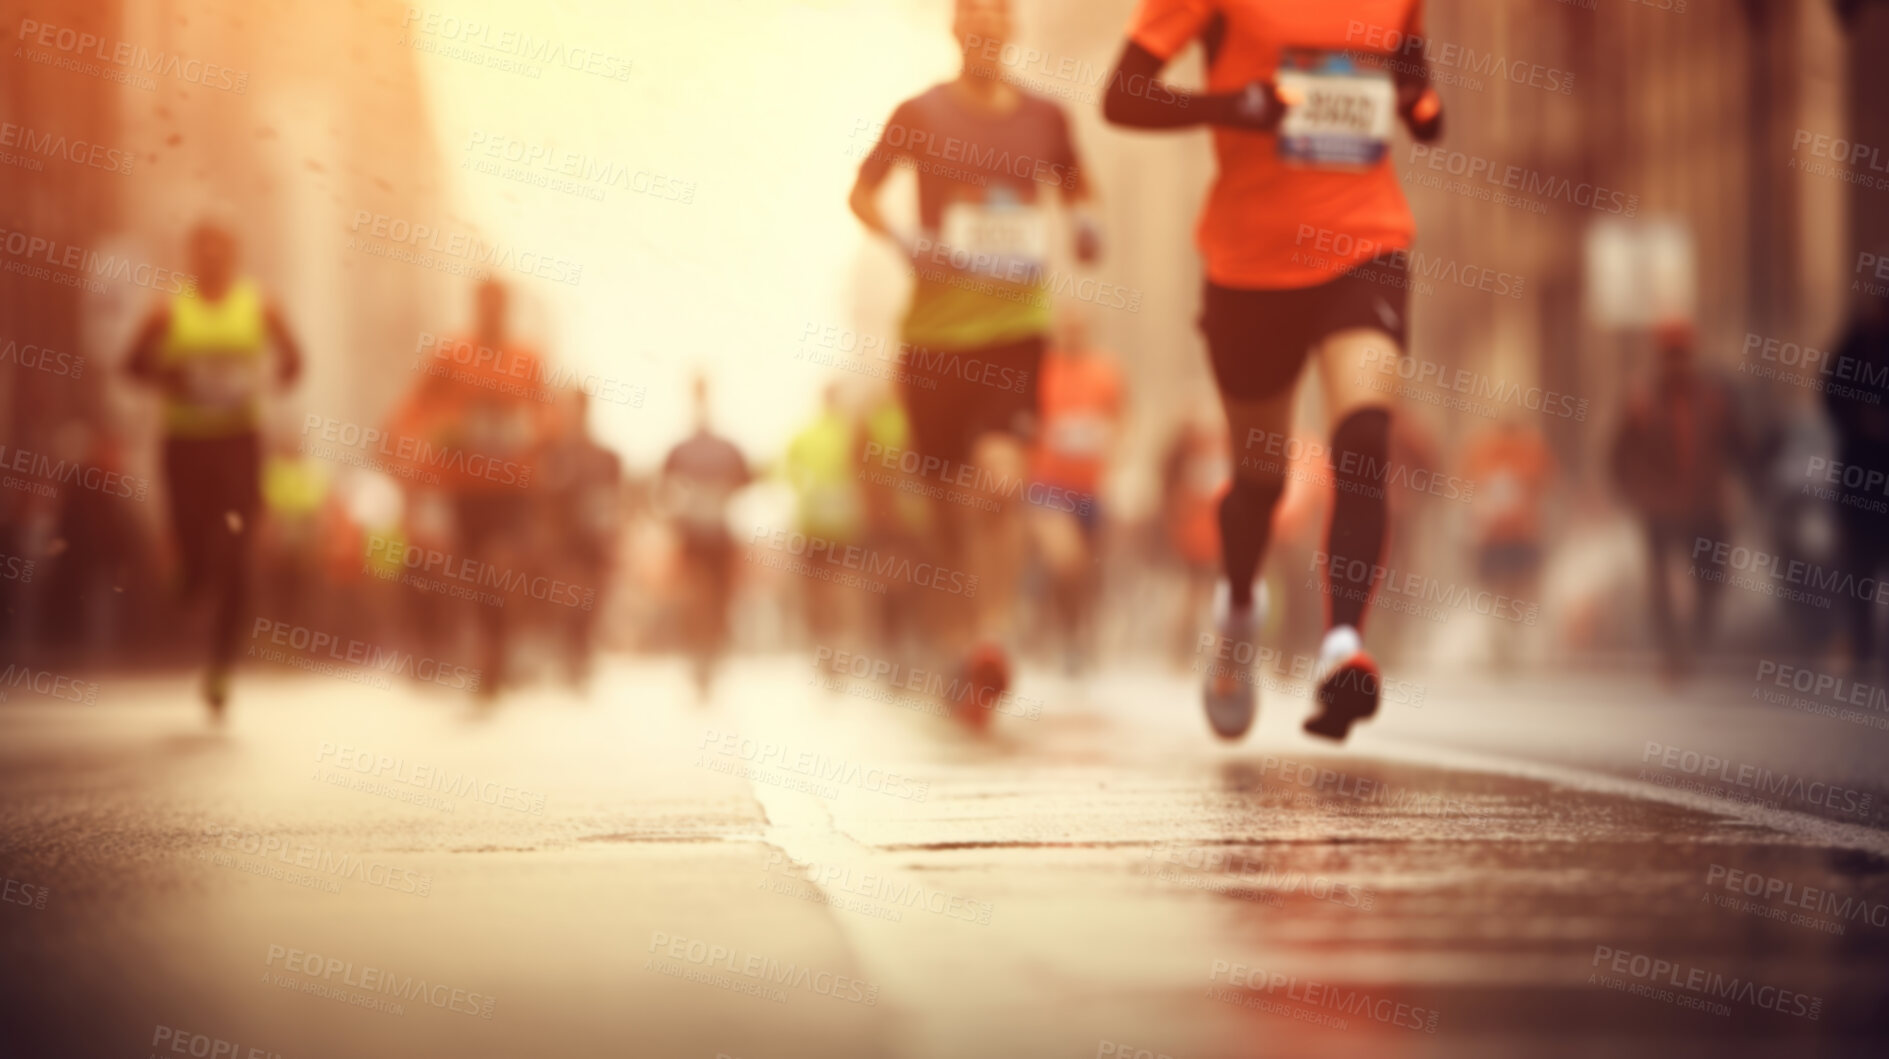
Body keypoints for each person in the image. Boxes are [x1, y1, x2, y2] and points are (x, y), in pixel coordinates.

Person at [1103, 0, 1444, 741]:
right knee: (1262, 481)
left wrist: (1420, 104)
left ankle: (1340, 645)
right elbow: (1120, 97)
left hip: (1363, 246)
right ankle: (1236, 613)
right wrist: (1233, 104)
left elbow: (1407, 64)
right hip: (1249, 267)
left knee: (1362, 441)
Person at [848, 0, 1102, 721]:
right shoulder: (918, 114)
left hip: (1014, 330)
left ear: (1012, 28)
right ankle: (961, 643)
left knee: (999, 477)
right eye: (972, 14)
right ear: (955, 29)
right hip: (933, 340)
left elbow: (1077, 185)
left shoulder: (1046, 119)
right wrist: (902, 240)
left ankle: (994, 636)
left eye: (997, 13)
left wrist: (1083, 224)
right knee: (945, 513)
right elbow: (860, 194)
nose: (985, 27)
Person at [125, 220, 303, 717]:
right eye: (203, 253)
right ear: (191, 257)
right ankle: (189, 573)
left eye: (220, 252)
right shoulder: (167, 310)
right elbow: (131, 364)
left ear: (234, 257)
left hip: (239, 445)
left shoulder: (260, 306)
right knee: (197, 556)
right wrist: (170, 374)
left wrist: (276, 375)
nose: (212, 261)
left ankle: (221, 667)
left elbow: (294, 361)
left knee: (237, 555)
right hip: (183, 445)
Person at [385, 279, 558, 698]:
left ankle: (496, 653)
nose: (491, 312)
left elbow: (545, 412)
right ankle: (489, 648)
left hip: (511, 486)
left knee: (499, 563)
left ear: (507, 309)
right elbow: (416, 404)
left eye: (499, 304)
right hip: (464, 486)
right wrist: (406, 442)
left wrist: (540, 440)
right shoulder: (451, 354)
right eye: (485, 304)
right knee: (477, 573)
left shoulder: (527, 358)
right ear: (475, 306)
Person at [1610, 321, 1747, 678]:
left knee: (1711, 578)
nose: (1676, 363)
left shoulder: (1713, 399)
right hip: (1659, 505)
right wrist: (1636, 493)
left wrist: (1743, 484)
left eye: (1682, 355)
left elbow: (1739, 446)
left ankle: (1698, 644)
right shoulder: (1642, 400)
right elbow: (1618, 456)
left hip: (1706, 505)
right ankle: (1671, 653)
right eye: (1670, 356)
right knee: (1660, 582)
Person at [1029, 311, 1125, 673]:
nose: (1072, 336)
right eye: (1066, 329)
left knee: (1086, 571)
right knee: (1064, 560)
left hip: (1090, 487)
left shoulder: (1106, 371)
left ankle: (1078, 636)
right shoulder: (1042, 370)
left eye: (1078, 329)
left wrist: (1109, 443)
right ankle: (1061, 631)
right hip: (1047, 485)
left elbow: (1122, 417)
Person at [660, 375, 751, 696]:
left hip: (719, 534)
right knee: (697, 595)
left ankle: (710, 649)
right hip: (694, 534)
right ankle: (700, 650)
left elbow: (745, 481)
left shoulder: (727, 449)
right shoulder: (680, 450)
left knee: (716, 597)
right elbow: (665, 489)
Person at [1822, 298, 1889, 677]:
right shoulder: (1856, 346)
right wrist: (1862, 421)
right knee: (1859, 576)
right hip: (1859, 486)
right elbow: (1831, 398)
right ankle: (1862, 652)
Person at [1462, 417, 1555, 669]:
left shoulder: (1484, 451)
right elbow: (1545, 485)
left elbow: (1470, 487)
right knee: (1514, 587)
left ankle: (1504, 633)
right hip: (1517, 534)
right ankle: (1507, 632)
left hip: (1498, 535)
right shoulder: (1528, 452)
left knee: (1500, 588)